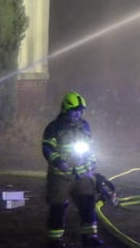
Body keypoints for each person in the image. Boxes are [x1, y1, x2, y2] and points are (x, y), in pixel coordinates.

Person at [41, 91, 104, 246]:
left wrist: (92, 164)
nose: (79, 113)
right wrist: (59, 161)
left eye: (81, 111)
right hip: (60, 176)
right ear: (66, 109)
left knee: (88, 206)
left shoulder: (84, 125)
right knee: (58, 208)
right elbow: (47, 148)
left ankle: (90, 238)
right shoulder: (54, 127)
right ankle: (54, 240)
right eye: (76, 110)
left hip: (82, 175)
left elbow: (91, 147)